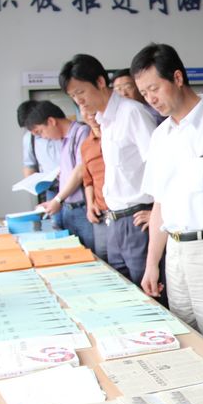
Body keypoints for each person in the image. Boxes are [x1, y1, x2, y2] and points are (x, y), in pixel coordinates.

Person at [132, 43, 203, 347]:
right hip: (175, 254)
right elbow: (160, 205)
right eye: (144, 93)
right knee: (187, 340)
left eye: (154, 88)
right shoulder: (160, 136)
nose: (150, 99)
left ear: (177, 78)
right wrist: (152, 264)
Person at [59, 54, 158, 291]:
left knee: (147, 293)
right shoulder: (104, 121)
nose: (78, 101)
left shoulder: (132, 113)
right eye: (73, 96)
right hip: (113, 220)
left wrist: (157, 212)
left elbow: (158, 165)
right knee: (122, 289)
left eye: (81, 92)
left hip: (137, 219)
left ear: (100, 82)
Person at [21, 100, 94, 250]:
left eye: (41, 132)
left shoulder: (81, 132)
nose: (43, 137)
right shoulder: (64, 140)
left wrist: (58, 199)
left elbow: (80, 171)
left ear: (51, 121)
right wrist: (53, 201)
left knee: (90, 253)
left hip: (82, 207)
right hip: (67, 207)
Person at [17, 100, 62, 223]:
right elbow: (29, 165)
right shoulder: (29, 138)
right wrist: (33, 184)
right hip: (52, 189)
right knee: (56, 223)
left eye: (35, 128)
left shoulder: (62, 130)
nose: (33, 131)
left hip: (74, 186)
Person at [79, 106, 108, 262]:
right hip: (101, 213)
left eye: (93, 108)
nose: (90, 114)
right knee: (104, 259)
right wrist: (90, 205)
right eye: (83, 109)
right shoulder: (86, 145)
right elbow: (87, 180)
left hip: (127, 211)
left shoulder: (116, 135)